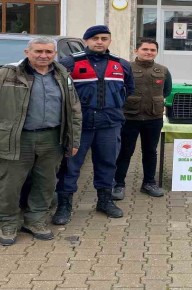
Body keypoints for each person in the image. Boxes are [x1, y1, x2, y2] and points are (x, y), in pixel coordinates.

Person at [0, 37, 82, 246]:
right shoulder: (6, 74)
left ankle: (36, 220)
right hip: (16, 138)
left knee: (46, 183)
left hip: (52, 138)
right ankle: (8, 223)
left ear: (55, 54)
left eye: (48, 52)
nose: (44, 56)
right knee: (10, 185)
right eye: (38, 51)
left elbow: (75, 110)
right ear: (27, 52)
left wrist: (73, 140)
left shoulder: (62, 75)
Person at [52, 25, 134, 222]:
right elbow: (57, 92)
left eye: (104, 38)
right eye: (95, 38)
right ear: (86, 40)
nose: (99, 42)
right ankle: (64, 206)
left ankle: (105, 201)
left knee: (107, 163)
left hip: (109, 124)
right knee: (70, 166)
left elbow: (129, 89)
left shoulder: (121, 64)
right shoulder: (69, 63)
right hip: (80, 125)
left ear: (109, 41)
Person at [112, 38, 173, 200]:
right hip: (129, 117)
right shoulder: (126, 68)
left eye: (152, 50)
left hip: (154, 118)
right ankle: (118, 184)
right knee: (125, 151)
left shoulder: (163, 70)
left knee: (150, 151)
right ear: (136, 51)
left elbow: (166, 91)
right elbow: (118, 89)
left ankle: (149, 183)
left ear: (156, 52)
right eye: (145, 49)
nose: (149, 52)